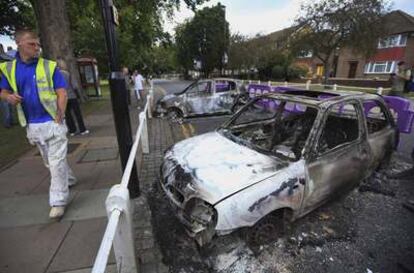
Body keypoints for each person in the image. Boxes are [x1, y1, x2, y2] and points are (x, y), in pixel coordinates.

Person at [0, 30, 76, 219]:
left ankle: (58, 201)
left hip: (53, 121)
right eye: (31, 44)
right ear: (18, 44)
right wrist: (8, 96)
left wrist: (60, 114)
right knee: (50, 162)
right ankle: (70, 178)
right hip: (32, 124)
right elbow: (3, 91)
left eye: (37, 44)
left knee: (56, 162)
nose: (36, 47)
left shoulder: (49, 66)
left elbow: (62, 92)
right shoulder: (8, 69)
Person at [57, 59, 89, 136]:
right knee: (77, 113)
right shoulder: (68, 74)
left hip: (62, 97)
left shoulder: (56, 75)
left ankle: (72, 130)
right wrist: (78, 94)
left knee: (68, 115)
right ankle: (82, 129)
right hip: (72, 95)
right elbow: (74, 85)